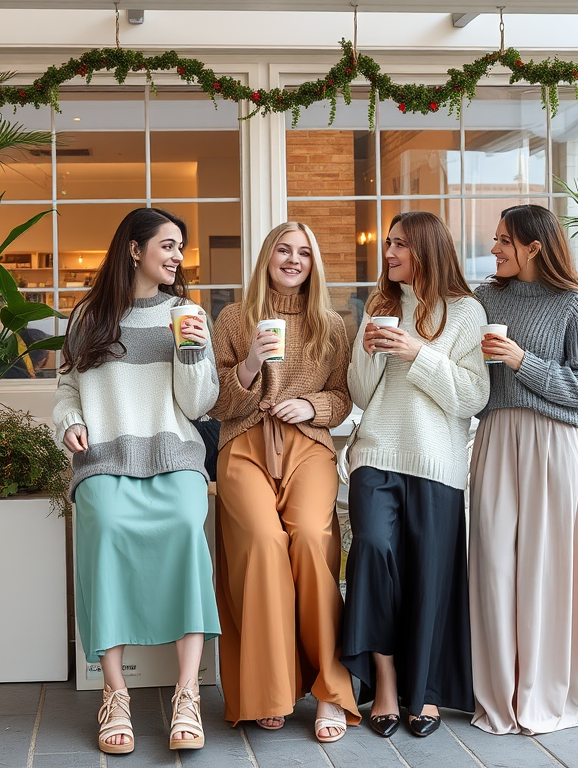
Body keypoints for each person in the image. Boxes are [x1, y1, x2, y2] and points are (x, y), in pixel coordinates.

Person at [53, 208, 220, 755]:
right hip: (103, 458)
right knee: (104, 528)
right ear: (134, 249)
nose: (177, 257)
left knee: (181, 528)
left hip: (174, 456)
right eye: (168, 245)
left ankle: (187, 693)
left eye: (180, 248)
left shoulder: (187, 314)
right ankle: (114, 691)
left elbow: (198, 404)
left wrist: (193, 349)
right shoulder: (87, 317)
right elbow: (66, 393)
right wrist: (71, 424)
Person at [342, 210, 490, 738]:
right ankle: (383, 681)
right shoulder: (380, 306)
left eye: (399, 244)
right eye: (387, 243)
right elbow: (360, 394)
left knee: (429, 574)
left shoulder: (467, 312)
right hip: (376, 455)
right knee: (373, 552)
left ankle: (423, 692)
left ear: (425, 249)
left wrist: (418, 352)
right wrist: (371, 354)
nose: (388, 253)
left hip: (437, 463)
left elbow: (472, 397)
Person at [210, 222, 359, 742]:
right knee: (263, 542)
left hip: (309, 445)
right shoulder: (233, 317)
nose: (293, 260)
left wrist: (311, 405)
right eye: (284, 249)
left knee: (313, 540)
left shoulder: (332, 325)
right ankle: (268, 688)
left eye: (303, 253)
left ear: (313, 263)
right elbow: (215, 404)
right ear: (267, 256)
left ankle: (331, 690)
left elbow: (344, 398)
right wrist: (250, 363)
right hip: (245, 442)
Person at [469, 204, 578, 735]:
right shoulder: (484, 299)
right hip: (495, 439)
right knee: (493, 564)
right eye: (496, 238)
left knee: (546, 568)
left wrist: (519, 360)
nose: (495, 248)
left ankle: (546, 686)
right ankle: (498, 688)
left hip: (554, 446)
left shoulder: (572, 304)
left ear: (534, 246)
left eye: (505, 240)